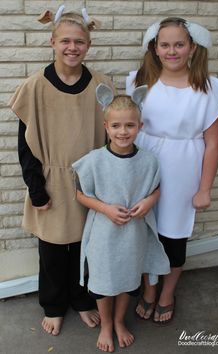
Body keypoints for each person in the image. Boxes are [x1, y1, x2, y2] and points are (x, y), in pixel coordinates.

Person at [8, 5, 114, 336]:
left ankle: (82, 299)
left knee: (85, 247)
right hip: (51, 180)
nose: (72, 47)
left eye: (79, 42)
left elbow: (112, 136)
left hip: (89, 182)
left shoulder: (100, 86)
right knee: (52, 249)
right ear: (53, 42)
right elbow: (25, 145)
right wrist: (36, 187)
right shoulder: (35, 86)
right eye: (65, 41)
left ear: (88, 45)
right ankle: (53, 305)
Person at [126, 17, 218, 325]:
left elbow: (213, 145)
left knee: (173, 237)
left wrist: (205, 188)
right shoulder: (140, 82)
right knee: (145, 233)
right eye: (165, 45)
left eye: (179, 44)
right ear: (155, 48)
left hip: (183, 168)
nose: (172, 51)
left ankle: (167, 292)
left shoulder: (208, 90)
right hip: (144, 165)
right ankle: (149, 289)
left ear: (191, 47)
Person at [72, 84, 170, 352]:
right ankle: (105, 325)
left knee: (128, 279)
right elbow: (81, 195)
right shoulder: (94, 160)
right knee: (104, 282)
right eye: (116, 126)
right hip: (104, 233)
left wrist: (149, 201)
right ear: (106, 126)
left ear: (140, 126)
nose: (123, 132)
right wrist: (105, 208)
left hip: (133, 234)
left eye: (129, 125)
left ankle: (118, 321)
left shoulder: (149, 161)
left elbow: (157, 188)